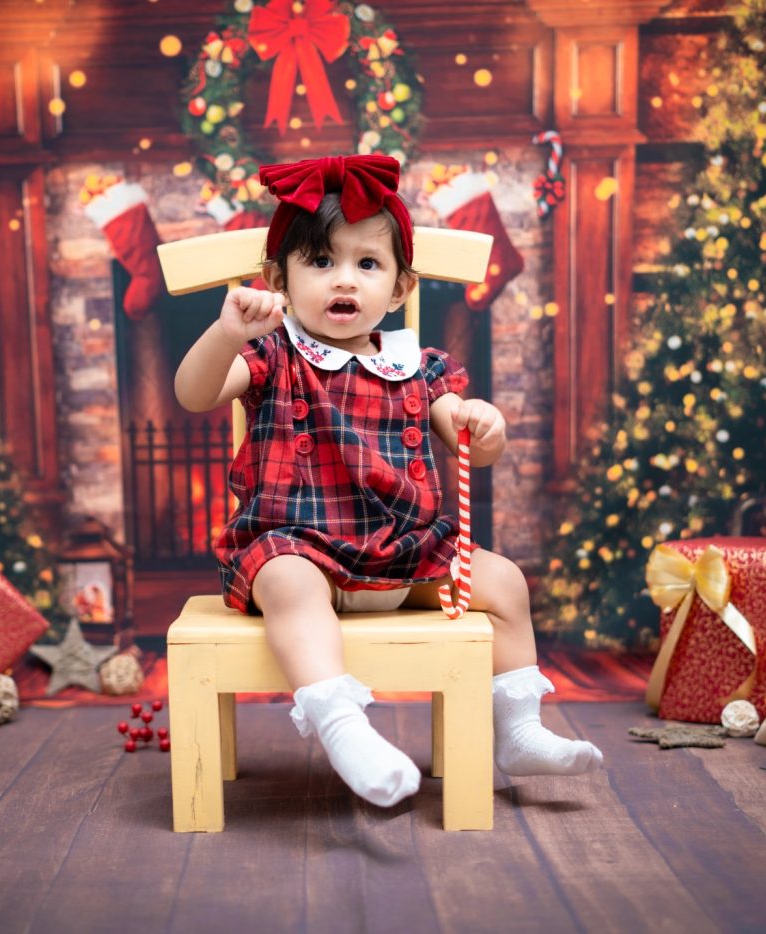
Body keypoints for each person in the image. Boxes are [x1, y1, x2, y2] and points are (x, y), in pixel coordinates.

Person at [174, 154, 602, 808]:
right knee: (288, 581)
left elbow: (469, 447)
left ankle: (518, 731)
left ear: (400, 288)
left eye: (366, 264)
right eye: (320, 262)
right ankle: (343, 727)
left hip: (406, 557)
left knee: (505, 580)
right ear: (278, 279)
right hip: (300, 548)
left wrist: (484, 425)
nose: (343, 280)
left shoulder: (420, 366)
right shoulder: (271, 354)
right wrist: (227, 333)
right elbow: (194, 395)